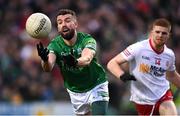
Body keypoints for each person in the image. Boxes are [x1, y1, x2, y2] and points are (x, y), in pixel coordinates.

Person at [36, 9, 109, 115]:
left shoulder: (87, 39)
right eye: (60, 22)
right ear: (58, 27)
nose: (64, 25)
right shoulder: (54, 45)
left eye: (67, 20)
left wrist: (75, 62)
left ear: (75, 24)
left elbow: (87, 58)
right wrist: (45, 60)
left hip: (96, 84)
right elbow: (48, 67)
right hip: (75, 91)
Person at [107, 18, 180, 115]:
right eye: (157, 32)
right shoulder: (138, 48)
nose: (160, 35)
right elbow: (112, 63)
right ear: (152, 32)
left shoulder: (169, 55)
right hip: (144, 100)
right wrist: (122, 75)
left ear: (168, 36)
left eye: (164, 33)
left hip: (163, 95)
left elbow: (171, 76)